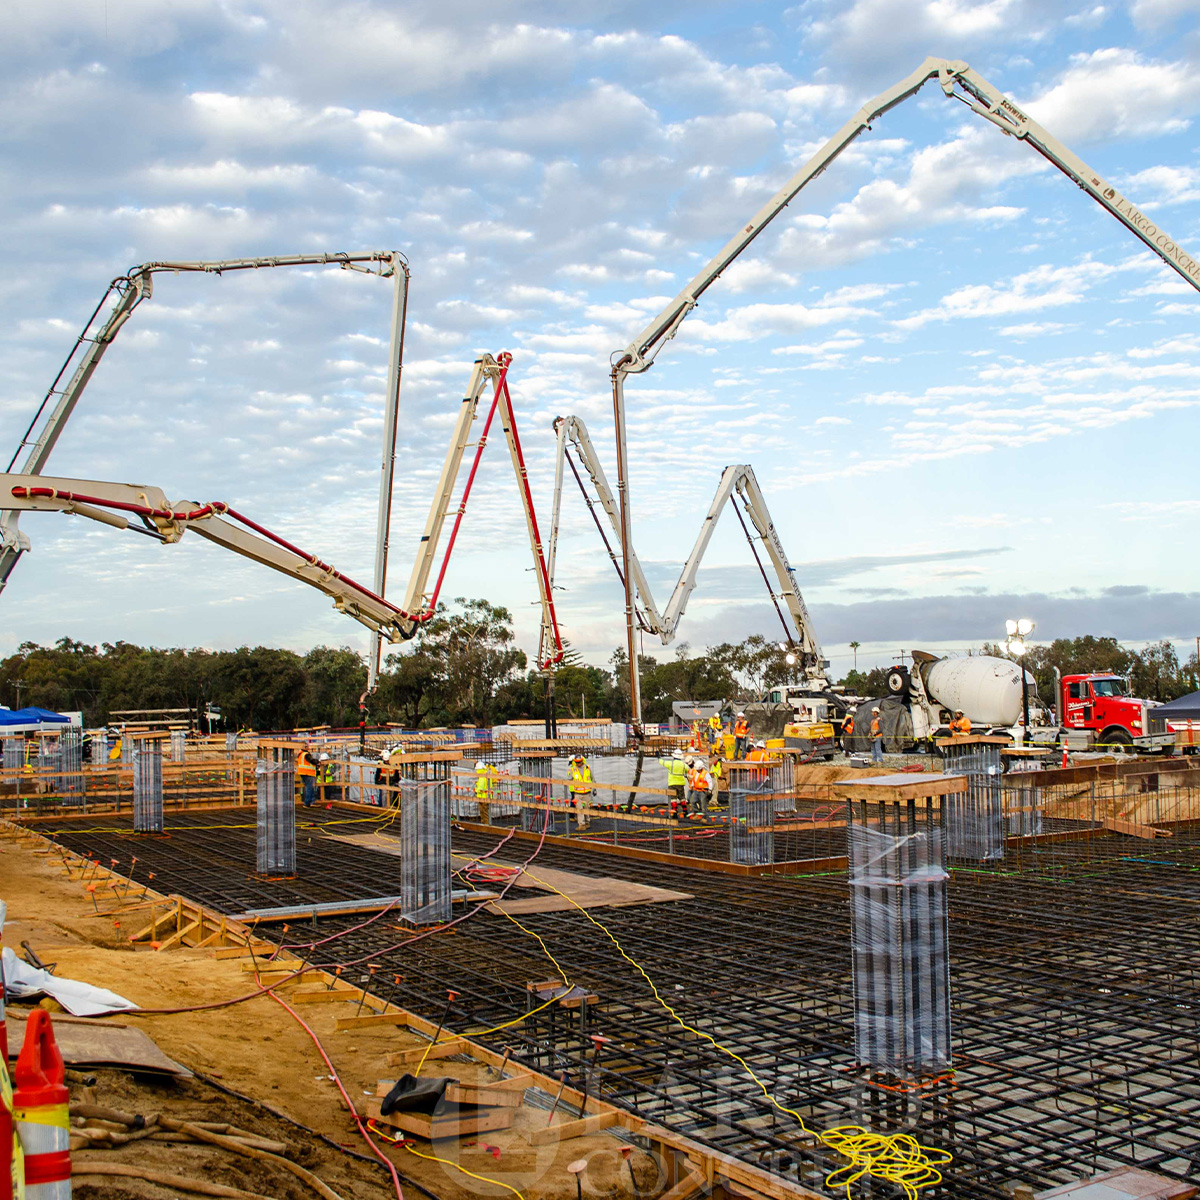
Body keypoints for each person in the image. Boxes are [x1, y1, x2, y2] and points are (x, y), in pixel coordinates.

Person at [568, 752, 594, 829]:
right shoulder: (573, 769)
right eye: (576, 762)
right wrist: (569, 773)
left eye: (579, 762)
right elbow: (569, 779)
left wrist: (594, 789)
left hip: (587, 793)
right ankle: (581, 825)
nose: (578, 764)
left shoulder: (588, 768)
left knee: (586, 808)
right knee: (579, 809)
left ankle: (587, 822)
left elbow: (593, 778)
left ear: (582, 761)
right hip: (578, 793)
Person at [474, 759, 494, 823]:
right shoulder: (486, 776)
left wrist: (476, 790)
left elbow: (481, 788)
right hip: (486, 796)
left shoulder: (482, 777)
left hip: (483, 797)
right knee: (485, 812)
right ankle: (485, 824)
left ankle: (486, 825)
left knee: (484, 812)